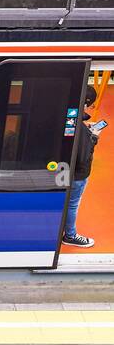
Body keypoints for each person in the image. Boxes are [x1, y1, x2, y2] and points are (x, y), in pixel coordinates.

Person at [63, 88, 104, 247]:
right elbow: (82, 156)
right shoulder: (80, 129)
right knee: (72, 203)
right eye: (90, 105)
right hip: (77, 174)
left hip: (63, 170)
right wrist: (93, 137)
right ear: (85, 103)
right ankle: (70, 235)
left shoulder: (69, 117)